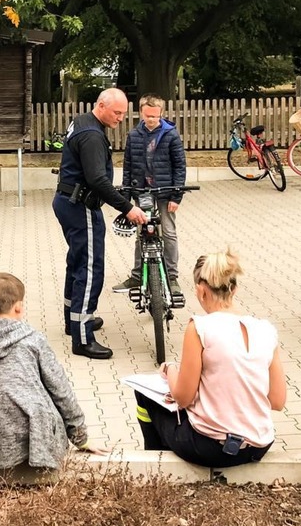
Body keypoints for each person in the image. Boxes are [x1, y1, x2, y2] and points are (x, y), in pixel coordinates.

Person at [133, 251, 285, 468]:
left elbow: (183, 398)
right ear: (234, 289)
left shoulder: (199, 327)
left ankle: (156, 465)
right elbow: (278, 401)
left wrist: (171, 370)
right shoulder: (266, 329)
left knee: (145, 395)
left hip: (211, 448)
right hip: (259, 445)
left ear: (201, 291)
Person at [0, 273, 96, 471]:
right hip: (37, 440)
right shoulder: (33, 339)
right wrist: (81, 438)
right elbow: (60, 389)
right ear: (19, 306)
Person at [53, 87, 146, 359]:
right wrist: (127, 208)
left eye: (123, 114)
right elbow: (97, 179)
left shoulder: (83, 121)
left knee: (77, 261)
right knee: (90, 268)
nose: (120, 118)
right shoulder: (92, 135)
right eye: (117, 113)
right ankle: (82, 339)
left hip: (68, 201)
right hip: (80, 206)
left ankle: (75, 320)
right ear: (101, 105)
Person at [113, 94, 188, 307]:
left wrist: (177, 196)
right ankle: (137, 275)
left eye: (155, 116)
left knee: (169, 231)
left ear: (161, 114)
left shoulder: (171, 134)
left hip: (165, 191)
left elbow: (180, 166)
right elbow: (128, 166)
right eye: (148, 116)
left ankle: (171, 276)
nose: (152, 119)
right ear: (141, 113)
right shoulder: (134, 135)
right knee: (141, 233)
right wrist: (126, 197)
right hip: (141, 191)